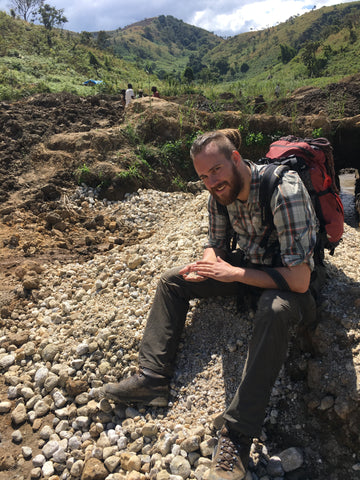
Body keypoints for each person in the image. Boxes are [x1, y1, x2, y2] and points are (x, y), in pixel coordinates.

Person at [103, 129, 322, 480]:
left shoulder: (285, 191)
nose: (211, 182)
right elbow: (216, 243)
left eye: (216, 170)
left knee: (275, 309)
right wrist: (207, 266)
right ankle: (152, 379)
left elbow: (299, 280)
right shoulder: (219, 193)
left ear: (236, 158)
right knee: (172, 280)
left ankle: (237, 434)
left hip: (290, 280)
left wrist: (234, 273)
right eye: (203, 176)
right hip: (247, 268)